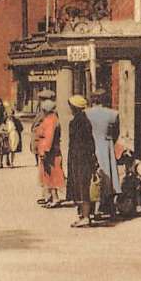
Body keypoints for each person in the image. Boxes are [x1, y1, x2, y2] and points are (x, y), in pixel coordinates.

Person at [86, 88, 121, 219]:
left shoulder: (86, 113)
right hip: (107, 146)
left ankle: (93, 208)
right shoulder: (113, 114)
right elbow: (116, 132)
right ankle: (108, 206)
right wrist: (110, 141)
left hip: (92, 145)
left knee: (94, 177)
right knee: (109, 176)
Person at [66, 95, 98, 227]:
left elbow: (79, 143)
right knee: (81, 186)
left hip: (80, 158)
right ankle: (84, 215)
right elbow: (91, 143)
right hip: (83, 157)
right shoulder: (85, 121)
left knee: (82, 187)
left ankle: (85, 217)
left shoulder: (76, 122)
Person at [33, 99, 66, 207]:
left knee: (52, 175)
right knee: (48, 175)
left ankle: (55, 198)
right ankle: (50, 197)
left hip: (50, 152)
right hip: (51, 151)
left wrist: (44, 151)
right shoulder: (52, 119)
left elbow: (49, 137)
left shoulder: (50, 120)